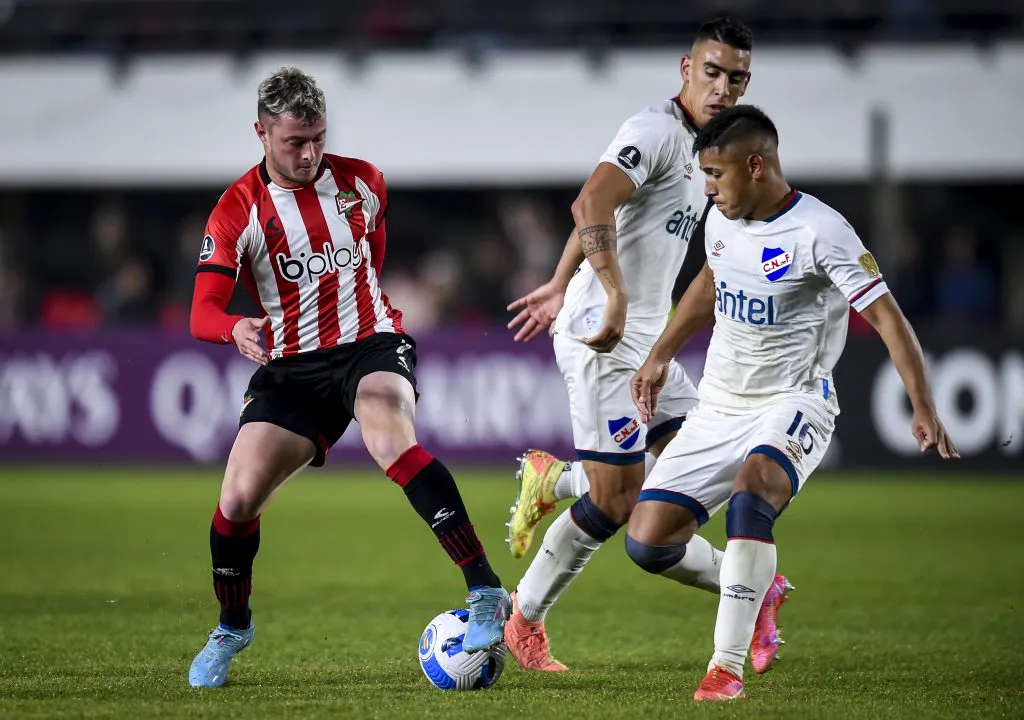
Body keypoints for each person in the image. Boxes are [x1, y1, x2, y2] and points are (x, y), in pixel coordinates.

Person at [186, 67, 509, 689]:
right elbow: (202, 310)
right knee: (236, 502)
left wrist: (366, 311)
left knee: (392, 442)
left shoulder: (362, 181)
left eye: (317, 139)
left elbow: (374, 250)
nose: (309, 155)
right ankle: (232, 627)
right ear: (261, 133)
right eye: (294, 143)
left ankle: (486, 589)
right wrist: (235, 329)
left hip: (369, 344)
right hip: (292, 369)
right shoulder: (236, 211)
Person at [628, 104, 959, 701]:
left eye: (716, 175)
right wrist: (659, 354)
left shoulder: (821, 231)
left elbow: (886, 317)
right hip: (718, 406)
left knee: (752, 497)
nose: (708, 188)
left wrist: (923, 404)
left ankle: (724, 669)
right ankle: (761, 589)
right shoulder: (722, 218)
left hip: (793, 400)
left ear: (755, 165)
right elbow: (708, 286)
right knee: (648, 543)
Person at [501, 18, 789, 672]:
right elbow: (592, 199)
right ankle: (527, 621)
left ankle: (560, 480)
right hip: (602, 335)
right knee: (622, 504)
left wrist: (556, 278)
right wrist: (609, 291)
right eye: (711, 72)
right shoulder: (656, 131)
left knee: (712, 466)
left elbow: (602, 212)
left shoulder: (712, 148)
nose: (721, 86)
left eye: (735, 78)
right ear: (684, 69)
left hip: (646, 337)